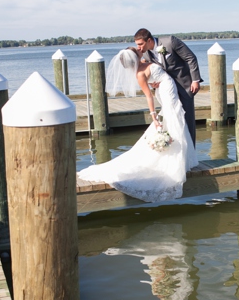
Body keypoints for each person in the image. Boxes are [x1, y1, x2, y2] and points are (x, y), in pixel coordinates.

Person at [78, 47, 199, 202]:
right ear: (134, 59)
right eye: (137, 51)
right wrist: (154, 117)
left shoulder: (144, 62)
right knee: (174, 117)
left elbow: (157, 69)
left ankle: (184, 159)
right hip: (165, 91)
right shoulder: (140, 74)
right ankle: (175, 160)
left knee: (176, 118)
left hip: (167, 86)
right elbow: (148, 96)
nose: (140, 50)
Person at [134, 28, 202, 145]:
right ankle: (174, 149)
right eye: (137, 45)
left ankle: (191, 152)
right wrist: (152, 83)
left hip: (184, 85)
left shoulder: (170, 42)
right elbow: (149, 71)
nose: (138, 47)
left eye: (140, 44)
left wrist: (195, 80)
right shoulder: (145, 53)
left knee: (187, 118)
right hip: (166, 89)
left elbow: (191, 58)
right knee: (172, 118)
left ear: (149, 40)